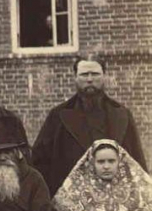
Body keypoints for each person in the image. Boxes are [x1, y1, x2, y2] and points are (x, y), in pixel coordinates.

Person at [32, 55, 148, 196]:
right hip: (72, 197)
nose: (89, 79)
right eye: (84, 74)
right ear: (75, 77)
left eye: (95, 74)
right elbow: (40, 161)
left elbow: (136, 159)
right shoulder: (58, 116)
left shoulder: (122, 114)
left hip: (116, 196)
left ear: (104, 76)